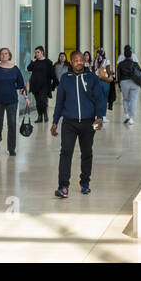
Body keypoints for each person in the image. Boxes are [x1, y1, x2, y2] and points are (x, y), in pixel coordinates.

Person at [50, 50, 107, 198]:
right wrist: (55, 121)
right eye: (75, 60)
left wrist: (99, 117)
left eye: (81, 60)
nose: (78, 63)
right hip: (69, 123)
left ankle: (85, 183)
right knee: (66, 152)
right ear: (71, 62)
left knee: (87, 152)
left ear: (84, 61)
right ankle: (63, 186)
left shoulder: (92, 78)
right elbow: (59, 102)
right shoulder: (65, 79)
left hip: (89, 122)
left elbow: (100, 99)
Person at [0, 49, 28, 156]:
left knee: (12, 123)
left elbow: (21, 85)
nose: (4, 55)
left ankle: (11, 148)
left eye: (6, 53)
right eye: (2, 54)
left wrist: (26, 97)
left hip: (12, 100)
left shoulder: (15, 69)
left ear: (9, 55)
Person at [27, 46, 57, 122]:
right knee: (37, 102)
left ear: (42, 52)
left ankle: (45, 114)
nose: (36, 54)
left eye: (38, 52)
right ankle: (40, 116)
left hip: (44, 85)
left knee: (42, 100)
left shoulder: (48, 62)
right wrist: (32, 61)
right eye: (35, 52)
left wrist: (54, 83)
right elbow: (28, 68)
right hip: (35, 84)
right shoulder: (35, 62)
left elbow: (52, 73)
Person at [117, 45, 141, 124]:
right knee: (133, 100)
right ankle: (131, 118)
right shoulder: (134, 63)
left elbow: (119, 75)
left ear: (124, 55)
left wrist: (119, 85)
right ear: (131, 55)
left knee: (125, 99)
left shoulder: (121, 64)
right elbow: (140, 72)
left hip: (124, 82)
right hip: (135, 83)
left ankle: (127, 115)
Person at [97, 49, 118, 113]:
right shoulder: (106, 61)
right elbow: (108, 71)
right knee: (104, 98)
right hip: (104, 81)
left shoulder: (95, 61)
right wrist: (111, 74)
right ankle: (103, 115)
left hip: (96, 80)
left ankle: (98, 114)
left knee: (98, 98)